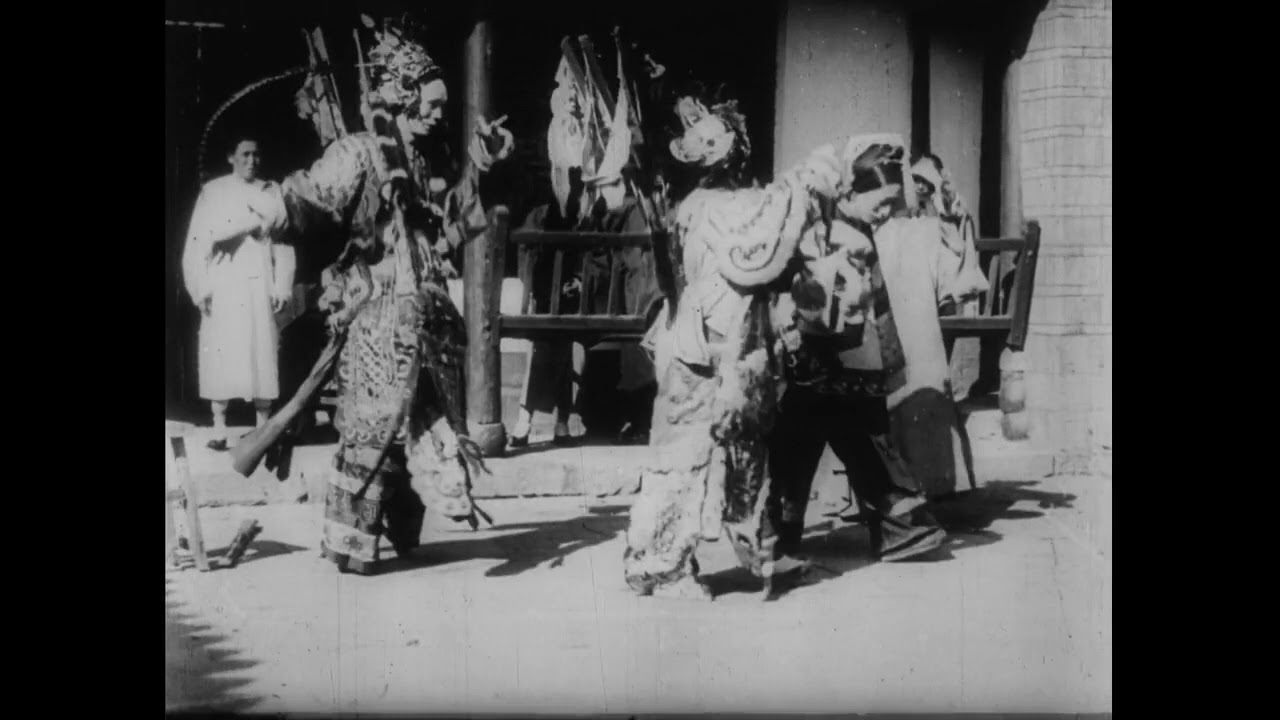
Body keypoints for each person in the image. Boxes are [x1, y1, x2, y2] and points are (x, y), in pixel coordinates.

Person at [227, 17, 515, 575]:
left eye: (442, 105)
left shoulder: (425, 162)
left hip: (426, 315)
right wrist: (272, 209)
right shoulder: (360, 153)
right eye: (431, 103)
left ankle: (402, 529)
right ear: (402, 96)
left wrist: (484, 168)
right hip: (378, 315)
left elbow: (454, 227)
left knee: (422, 429)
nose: (438, 114)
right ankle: (351, 542)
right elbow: (313, 195)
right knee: (373, 430)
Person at [623, 97, 844, 599]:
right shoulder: (718, 207)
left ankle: (760, 552)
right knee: (689, 458)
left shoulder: (705, 204)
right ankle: (666, 566)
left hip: (724, 341)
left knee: (741, 452)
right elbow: (757, 254)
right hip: (706, 346)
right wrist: (801, 188)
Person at [766, 135, 948, 569]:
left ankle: (889, 529)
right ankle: (783, 535)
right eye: (880, 203)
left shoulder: (858, 230)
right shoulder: (820, 227)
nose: (885, 213)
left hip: (853, 357)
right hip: (815, 354)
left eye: (890, 205)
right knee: (810, 443)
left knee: (847, 438)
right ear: (850, 192)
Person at [182, 136, 295, 451]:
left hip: (259, 282)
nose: (251, 161)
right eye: (244, 154)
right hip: (225, 283)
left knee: (261, 348)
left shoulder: (270, 192)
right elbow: (199, 241)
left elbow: (283, 244)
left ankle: (262, 427)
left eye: (256, 155)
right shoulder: (214, 192)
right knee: (222, 350)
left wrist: (282, 284)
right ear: (231, 156)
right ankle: (219, 427)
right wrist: (200, 287)